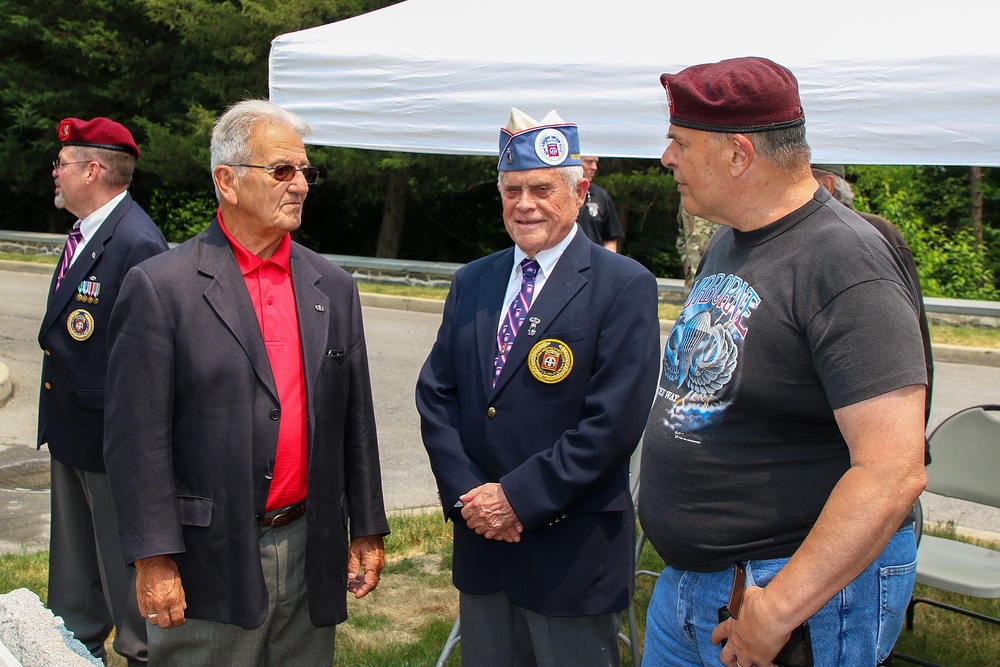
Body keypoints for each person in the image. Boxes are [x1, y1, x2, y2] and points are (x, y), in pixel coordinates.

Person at [638, 57, 928, 667]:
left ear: (739, 153)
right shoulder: (729, 238)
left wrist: (780, 607)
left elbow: (892, 471)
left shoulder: (845, 260)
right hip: (696, 585)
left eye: (681, 142)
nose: (667, 158)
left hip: (788, 594)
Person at [103, 100, 389, 666]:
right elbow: (137, 442)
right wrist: (153, 559)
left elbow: (354, 420)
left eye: (306, 171)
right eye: (282, 170)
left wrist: (368, 528)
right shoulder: (161, 287)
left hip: (310, 548)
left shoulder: (331, 286)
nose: (301, 185)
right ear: (227, 182)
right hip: (205, 558)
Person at [416, 108, 660, 666]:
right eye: (511, 190)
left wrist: (517, 499)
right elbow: (436, 394)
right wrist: (470, 497)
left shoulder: (623, 286)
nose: (524, 203)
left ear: (579, 191)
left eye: (542, 188)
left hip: (570, 552)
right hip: (482, 543)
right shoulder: (473, 280)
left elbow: (612, 423)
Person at [38, 116, 169, 666]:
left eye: (63, 164)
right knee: (75, 588)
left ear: (93, 170)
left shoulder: (136, 242)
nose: (54, 172)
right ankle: (74, 652)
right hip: (74, 434)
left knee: (127, 587)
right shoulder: (88, 233)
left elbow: (148, 363)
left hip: (112, 448)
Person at [812, 163, 934, 436]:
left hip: (863, 424)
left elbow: (913, 343)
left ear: (827, 185)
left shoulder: (874, 233)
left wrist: (912, 433)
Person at [577, 155, 624, 251]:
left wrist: (607, 264)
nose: (594, 167)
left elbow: (610, 238)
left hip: (593, 263)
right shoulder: (561, 194)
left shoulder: (601, 196)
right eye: (589, 161)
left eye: (596, 162)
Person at [676, 203, 716, 292]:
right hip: (691, 279)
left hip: (715, 278)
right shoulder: (686, 196)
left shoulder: (719, 195)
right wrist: (685, 259)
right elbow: (682, 234)